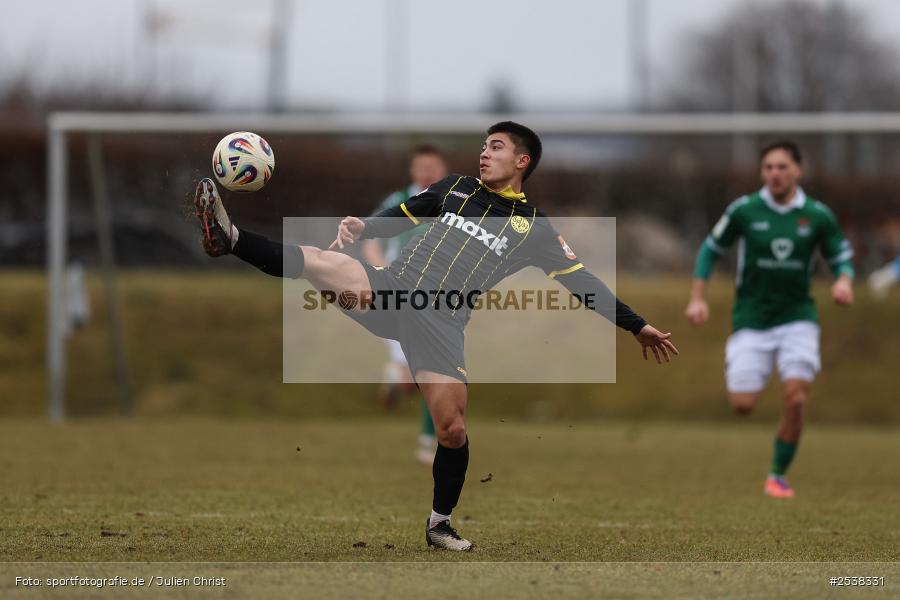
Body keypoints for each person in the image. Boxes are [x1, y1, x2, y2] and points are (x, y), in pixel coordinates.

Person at [194, 121, 678, 551]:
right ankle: (229, 239)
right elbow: (406, 213)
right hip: (392, 291)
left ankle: (439, 524)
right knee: (322, 262)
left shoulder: (534, 228)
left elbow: (581, 281)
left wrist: (636, 325)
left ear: (522, 161)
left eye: (496, 147)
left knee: (452, 430)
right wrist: (366, 226)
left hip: (441, 324)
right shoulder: (456, 187)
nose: (484, 153)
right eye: (484, 145)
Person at [685, 140, 854, 499]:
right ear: (762, 172)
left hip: (798, 317)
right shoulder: (744, 211)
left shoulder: (817, 215)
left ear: (797, 171)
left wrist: (843, 280)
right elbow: (710, 250)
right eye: (769, 167)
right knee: (742, 405)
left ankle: (777, 475)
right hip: (752, 317)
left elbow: (841, 255)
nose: (775, 174)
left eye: (782, 167)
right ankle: (740, 365)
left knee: (796, 397)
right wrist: (697, 299)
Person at [360, 145, 449, 465]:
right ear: (413, 171)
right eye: (421, 167)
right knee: (425, 372)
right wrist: (380, 270)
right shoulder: (398, 201)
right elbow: (369, 239)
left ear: (442, 170)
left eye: (432, 167)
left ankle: (428, 439)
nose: (427, 172)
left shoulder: (454, 203)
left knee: (430, 370)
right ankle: (400, 382)